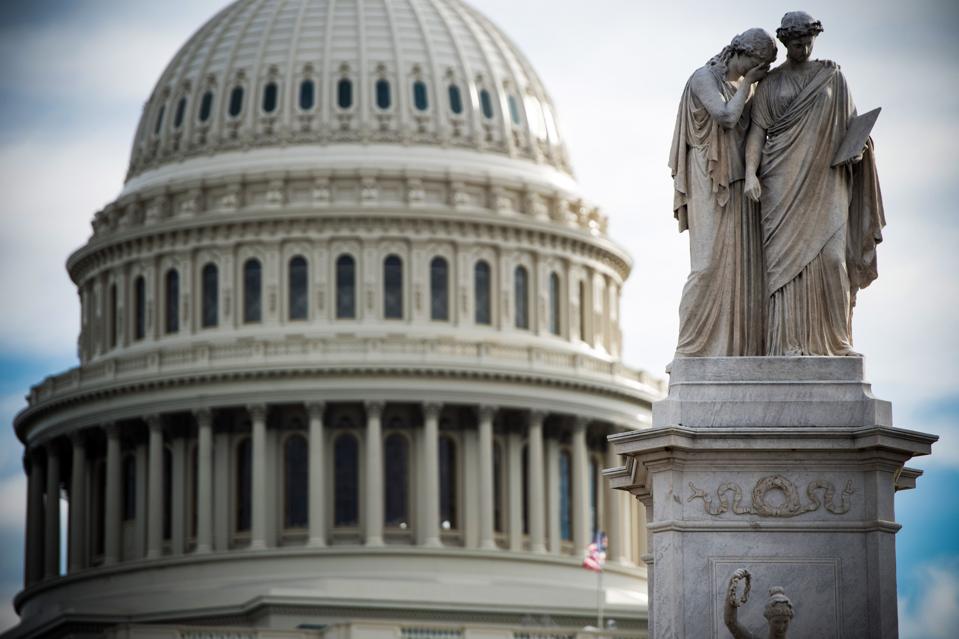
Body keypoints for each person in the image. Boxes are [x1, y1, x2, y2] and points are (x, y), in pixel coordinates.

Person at [744, 11, 885, 356]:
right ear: (784, 43)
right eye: (795, 43)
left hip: (826, 179)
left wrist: (859, 149)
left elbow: (853, 127)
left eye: (808, 41)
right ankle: (786, 343)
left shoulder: (833, 78)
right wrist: (750, 173)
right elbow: (757, 133)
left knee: (832, 260)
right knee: (783, 268)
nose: (803, 48)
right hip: (780, 182)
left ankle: (837, 342)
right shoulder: (771, 84)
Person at [669, 28, 777, 358]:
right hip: (708, 175)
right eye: (759, 64)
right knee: (706, 265)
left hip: (739, 183)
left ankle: (734, 349)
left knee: (740, 268)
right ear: (740, 54)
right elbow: (727, 117)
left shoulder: (749, 87)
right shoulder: (704, 78)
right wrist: (749, 84)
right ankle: (690, 349)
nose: (761, 72)